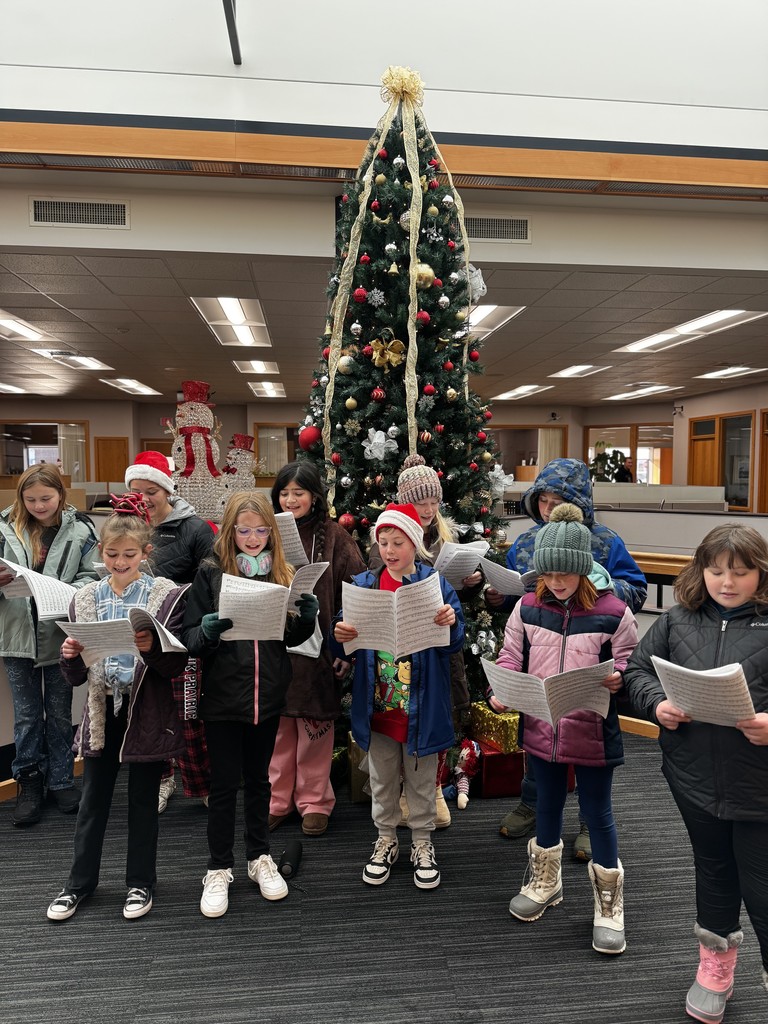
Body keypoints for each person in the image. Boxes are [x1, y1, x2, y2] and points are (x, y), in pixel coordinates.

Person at [623, 524, 768, 1021]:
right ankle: (715, 968)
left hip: (759, 785)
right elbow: (638, 671)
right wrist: (657, 705)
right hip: (693, 778)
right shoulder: (678, 618)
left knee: (762, 885)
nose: (727, 582)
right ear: (701, 569)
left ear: (760, 573)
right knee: (713, 869)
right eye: (716, 570)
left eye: (741, 572)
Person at [491, 503, 637, 953]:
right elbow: (510, 655)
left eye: (565, 574)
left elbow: (632, 664)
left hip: (592, 731)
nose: (555, 582)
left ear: (583, 569)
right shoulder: (527, 607)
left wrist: (620, 678)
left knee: (598, 812)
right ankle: (546, 882)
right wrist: (503, 688)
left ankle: (608, 903)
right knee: (547, 804)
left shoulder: (613, 612)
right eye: (548, 573)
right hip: (542, 727)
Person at [486, 457, 647, 856]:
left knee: (590, 764)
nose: (548, 508)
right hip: (541, 651)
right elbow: (514, 610)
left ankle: (588, 825)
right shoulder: (527, 542)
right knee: (542, 752)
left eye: (557, 501)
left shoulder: (605, 541)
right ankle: (531, 805)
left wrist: (599, 589)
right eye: (542, 500)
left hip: (588, 663)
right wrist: (498, 595)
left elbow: (636, 592)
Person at [46, 495, 188, 921]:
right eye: (111, 554)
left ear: (146, 552)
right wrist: (71, 655)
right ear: (101, 552)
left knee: (143, 800)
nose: (119, 562)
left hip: (146, 709)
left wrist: (152, 647)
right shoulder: (85, 598)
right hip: (102, 709)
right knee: (93, 800)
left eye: (129, 554)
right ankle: (78, 884)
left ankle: (140, 882)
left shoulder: (166, 596)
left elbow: (174, 665)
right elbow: (75, 676)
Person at [181, 491, 319, 918]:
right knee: (225, 785)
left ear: (272, 533)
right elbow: (189, 638)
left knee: (260, 781)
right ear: (230, 531)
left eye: (261, 530)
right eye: (245, 530)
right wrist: (206, 632)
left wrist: (306, 619)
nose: (254, 538)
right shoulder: (210, 573)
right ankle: (218, 867)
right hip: (223, 697)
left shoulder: (281, 571)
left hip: (268, 695)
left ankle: (259, 857)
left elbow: (288, 637)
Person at [331, 503, 464, 890]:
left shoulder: (435, 584)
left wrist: (450, 623)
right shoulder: (364, 585)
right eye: (383, 542)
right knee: (383, 779)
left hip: (421, 709)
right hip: (378, 709)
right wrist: (340, 635)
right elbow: (343, 642)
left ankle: (422, 842)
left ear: (415, 544)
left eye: (398, 542)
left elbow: (455, 642)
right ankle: (386, 838)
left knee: (422, 782)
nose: (389, 550)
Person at [369, 454, 483, 828]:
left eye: (435, 502)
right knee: (404, 723)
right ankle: (405, 793)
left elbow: (454, 606)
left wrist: (469, 584)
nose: (430, 510)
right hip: (402, 649)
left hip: (438, 645)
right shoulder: (387, 538)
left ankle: (432, 790)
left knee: (437, 715)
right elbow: (377, 584)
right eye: (422, 503)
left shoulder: (446, 536)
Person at [268, 460, 365, 836]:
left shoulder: (335, 536)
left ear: (314, 496)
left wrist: (346, 651)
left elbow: (358, 593)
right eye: (284, 493)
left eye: (299, 492)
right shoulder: (268, 531)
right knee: (278, 731)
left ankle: (314, 801)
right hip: (276, 649)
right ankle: (277, 799)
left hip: (320, 651)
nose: (291, 500)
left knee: (315, 731)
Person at [0, 464, 99, 827]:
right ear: (20, 498)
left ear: (60, 494)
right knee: (26, 716)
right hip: (17, 635)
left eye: (46, 498)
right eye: (30, 499)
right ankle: (28, 783)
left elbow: (92, 575)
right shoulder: (4, 527)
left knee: (59, 713)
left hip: (60, 635)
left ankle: (61, 780)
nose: (39, 506)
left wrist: (69, 589)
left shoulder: (81, 528)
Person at [125, 450, 216, 814]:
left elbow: (211, 582)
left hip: (181, 634)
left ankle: (202, 784)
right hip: (141, 634)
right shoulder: (126, 524)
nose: (144, 498)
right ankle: (162, 780)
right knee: (151, 711)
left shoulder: (194, 529)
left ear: (167, 490)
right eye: (137, 491)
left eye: (152, 491)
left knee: (189, 714)